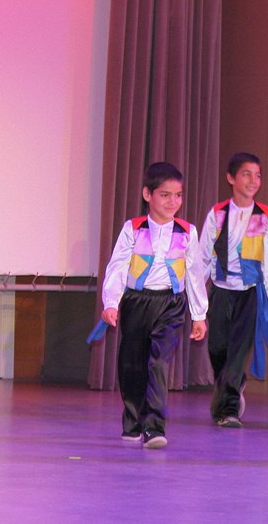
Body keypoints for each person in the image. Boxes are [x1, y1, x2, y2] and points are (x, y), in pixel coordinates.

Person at [100, 162, 208, 449]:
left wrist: (199, 314)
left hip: (171, 304)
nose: (173, 202)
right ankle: (133, 421)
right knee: (132, 364)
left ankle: (155, 427)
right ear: (147, 194)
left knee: (159, 363)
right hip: (137, 301)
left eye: (178, 195)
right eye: (165, 195)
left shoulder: (187, 232)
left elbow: (194, 274)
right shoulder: (133, 229)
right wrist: (111, 302)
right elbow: (118, 266)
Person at [198, 152, 268, 428]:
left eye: (258, 176)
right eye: (247, 174)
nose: (253, 180)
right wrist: (197, 291)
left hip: (250, 291)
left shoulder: (265, 215)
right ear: (231, 178)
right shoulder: (218, 213)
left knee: (238, 352)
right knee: (217, 347)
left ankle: (228, 410)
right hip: (221, 289)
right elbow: (204, 254)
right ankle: (232, 388)